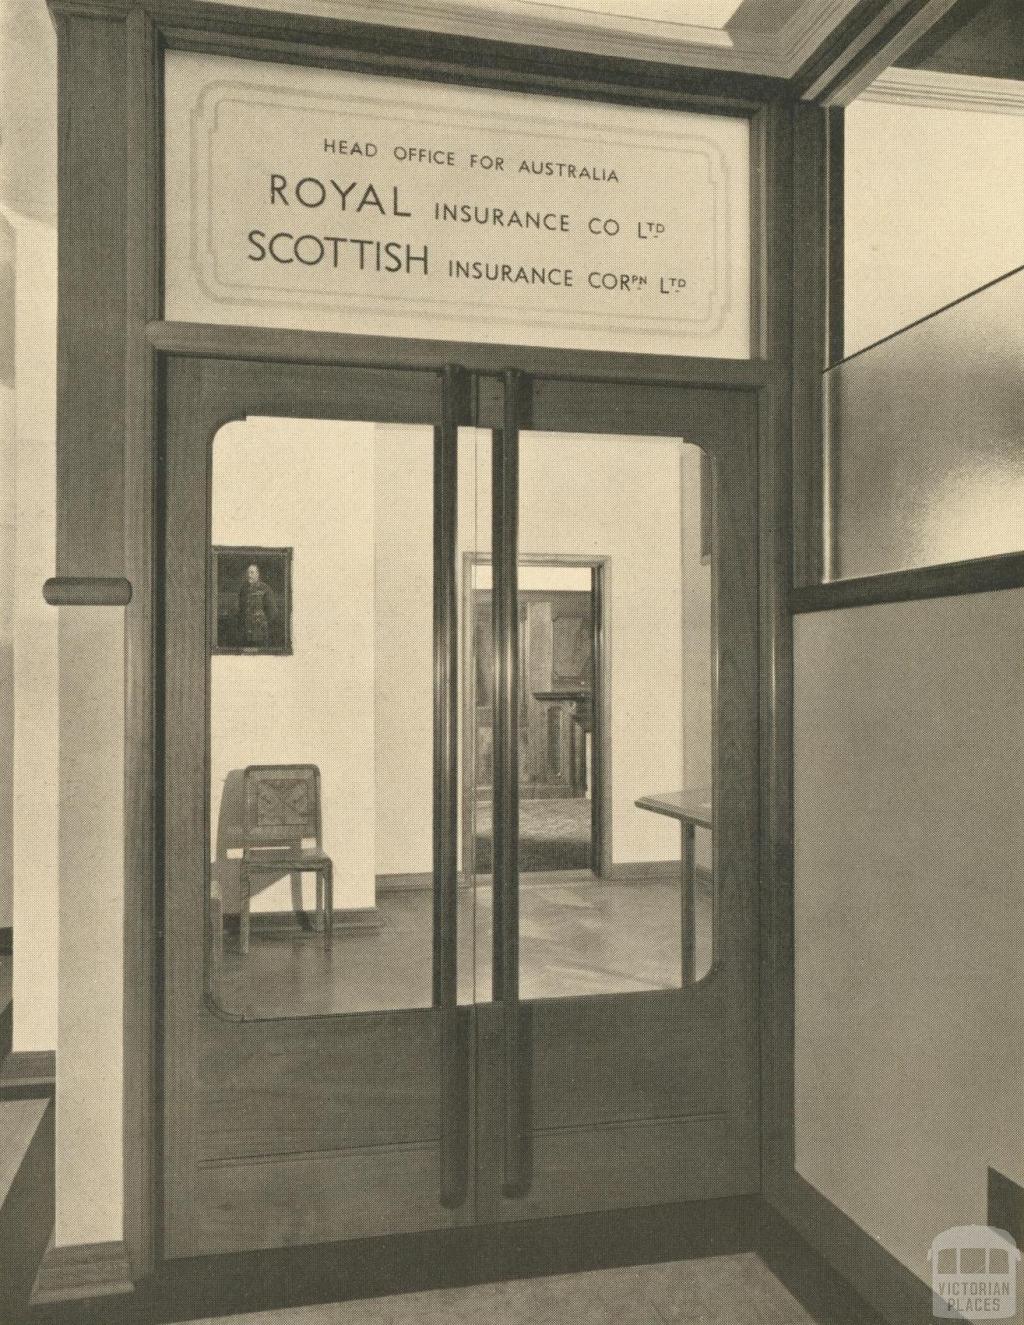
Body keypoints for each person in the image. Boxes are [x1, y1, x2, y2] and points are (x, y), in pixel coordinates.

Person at [236, 562, 275, 648]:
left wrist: (262, 624)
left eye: (252, 572)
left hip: (260, 634)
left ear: (258, 574)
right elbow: (241, 611)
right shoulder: (243, 590)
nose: (249, 575)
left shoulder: (265, 589)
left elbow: (272, 612)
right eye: (247, 573)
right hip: (245, 634)